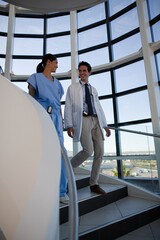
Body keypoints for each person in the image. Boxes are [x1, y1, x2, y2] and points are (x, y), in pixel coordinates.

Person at [27, 53, 69, 204]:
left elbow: (58, 104)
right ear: (48, 62)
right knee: (41, 152)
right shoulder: (35, 78)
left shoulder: (57, 83)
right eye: (56, 63)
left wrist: (62, 121)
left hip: (57, 120)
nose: (57, 66)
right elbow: (30, 99)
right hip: (42, 117)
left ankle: (61, 192)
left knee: (61, 153)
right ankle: (39, 188)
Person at [64, 61, 111, 194]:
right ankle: (67, 168)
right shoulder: (72, 88)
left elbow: (99, 108)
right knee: (88, 150)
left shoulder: (93, 89)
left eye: (84, 71)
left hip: (96, 120)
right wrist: (69, 125)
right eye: (80, 71)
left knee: (100, 152)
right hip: (83, 119)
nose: (82, 73)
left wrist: (105, 125)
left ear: (89, 72)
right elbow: (68, 106)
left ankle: (94, 184)